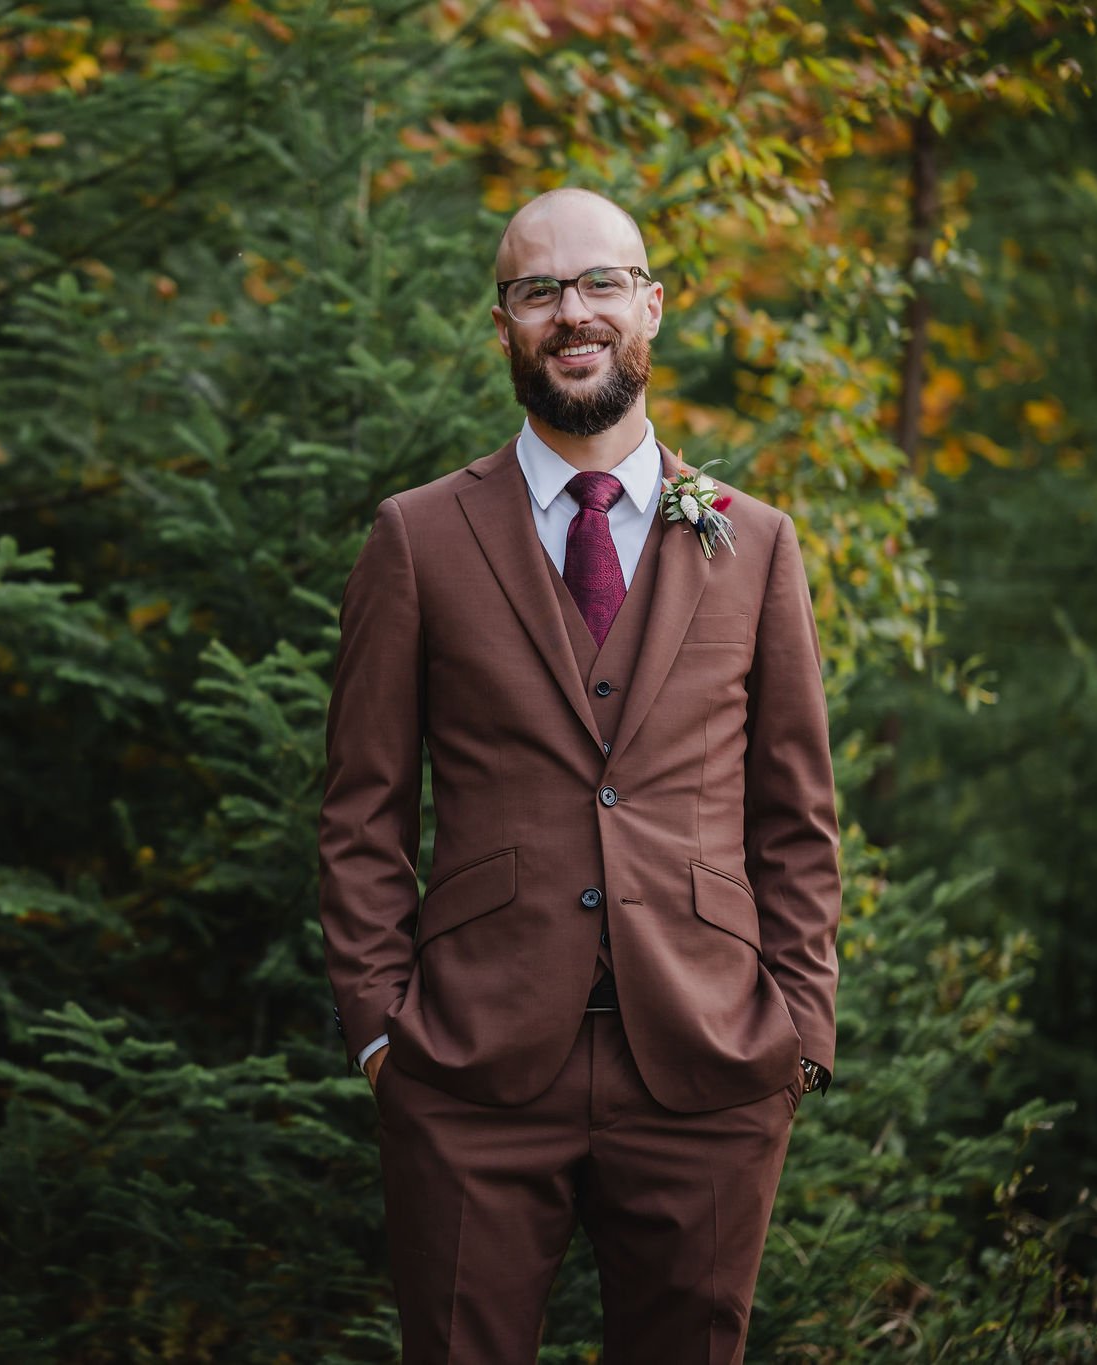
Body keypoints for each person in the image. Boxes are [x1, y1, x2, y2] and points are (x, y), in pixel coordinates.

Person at [317, 187, 841, 1365]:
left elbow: (794, 814)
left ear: (650, 306)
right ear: (502, 324)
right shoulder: (417, 537)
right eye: (536, 290)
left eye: (599, 282)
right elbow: (361, 811)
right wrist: (378, 1034)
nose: (571, 312)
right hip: (466, 1066)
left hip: (708, 1066)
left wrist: (800, 1027)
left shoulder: (752, 542)